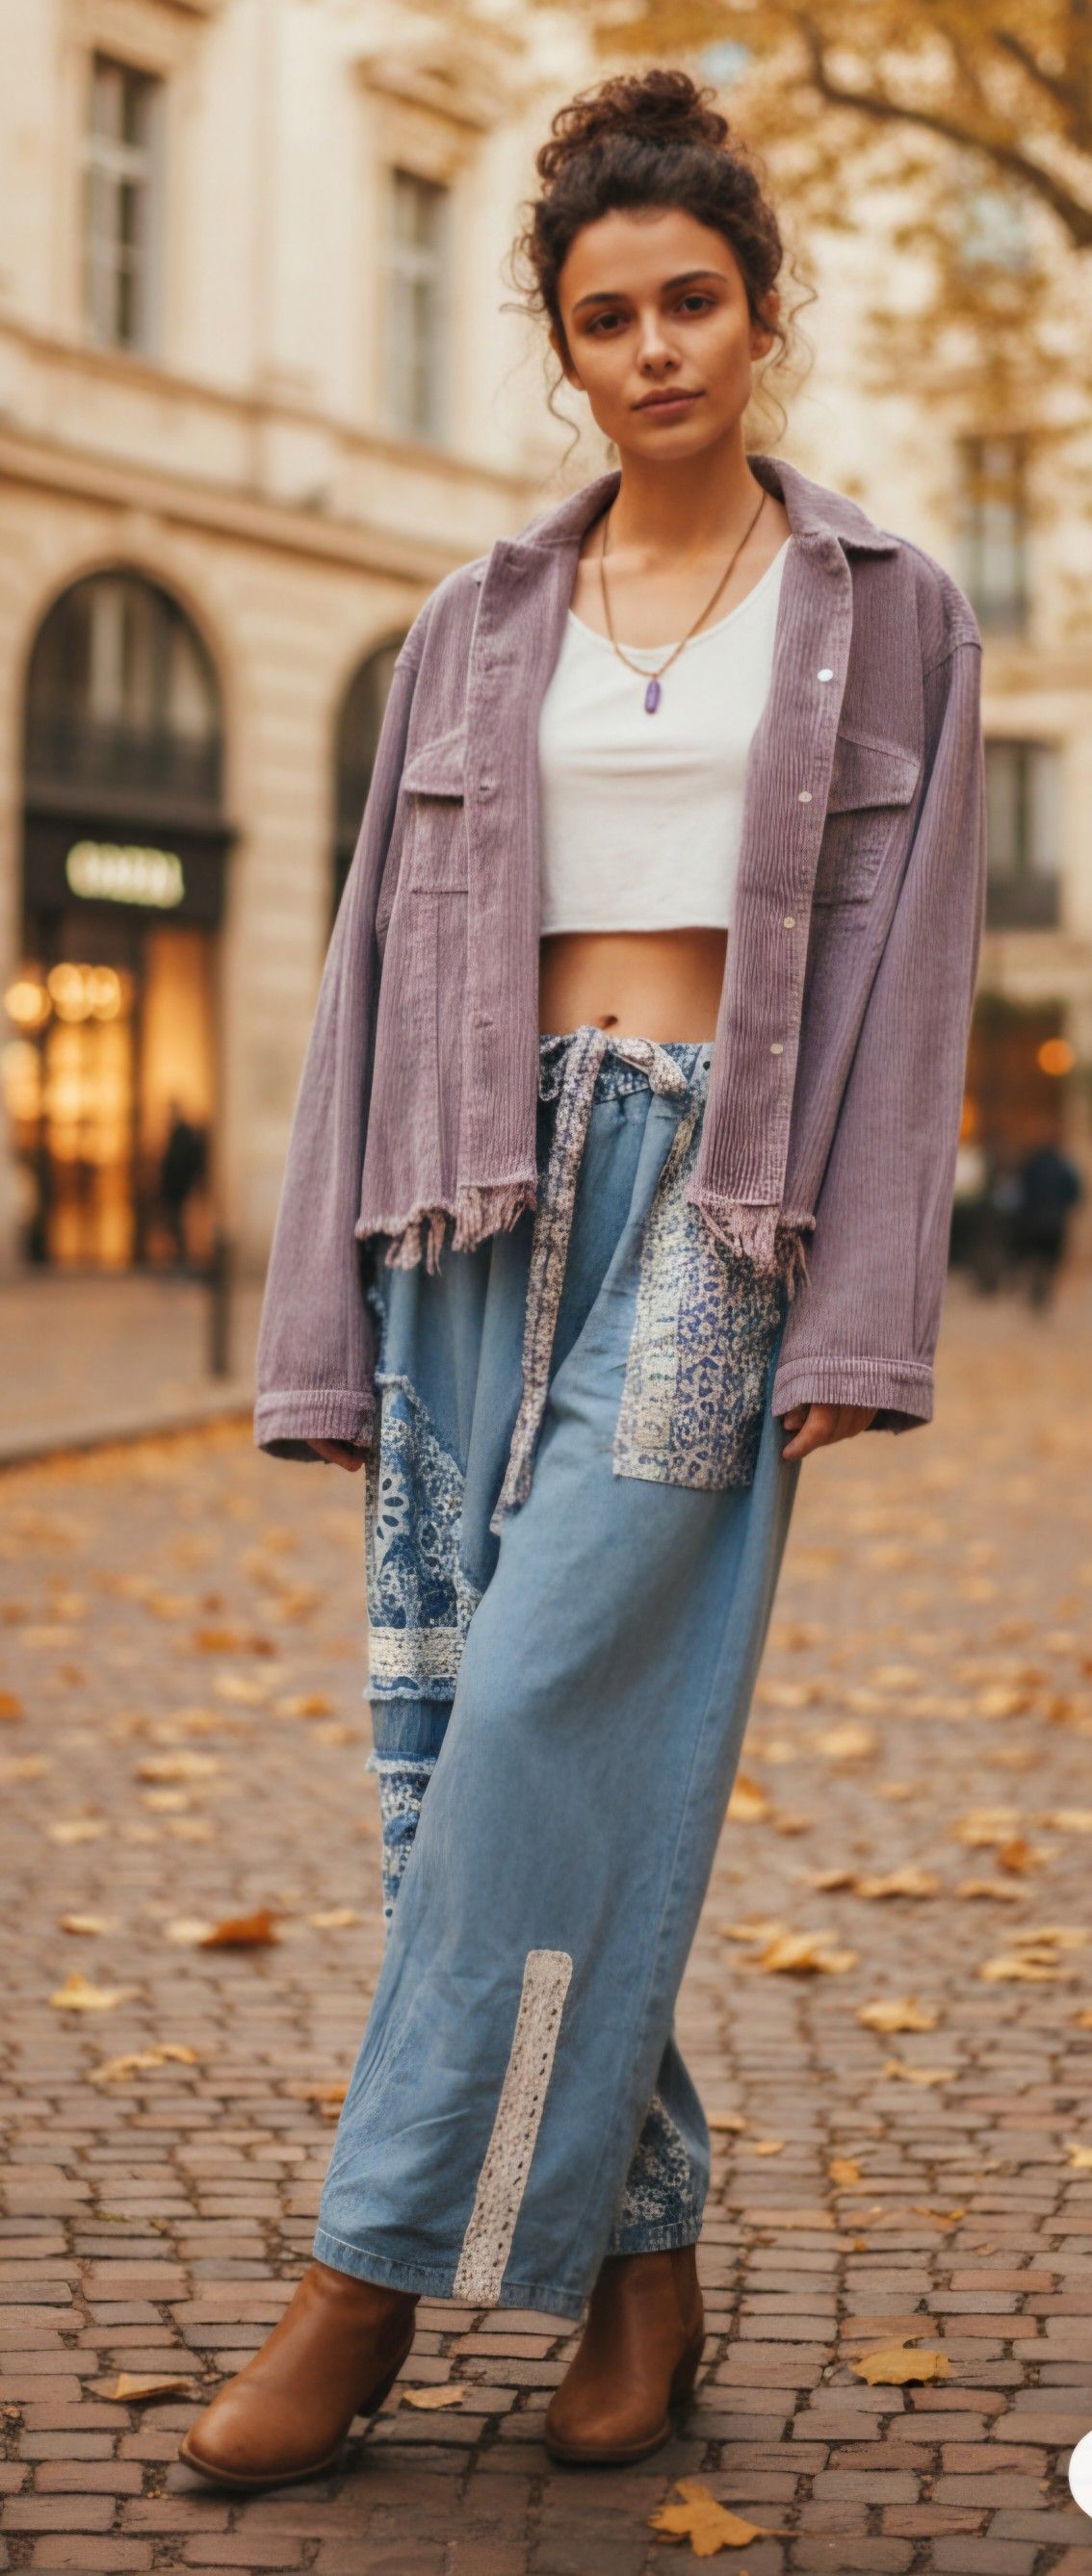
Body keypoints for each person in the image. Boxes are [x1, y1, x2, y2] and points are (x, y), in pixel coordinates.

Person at [179, 67, 986, 2490]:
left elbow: (920, 973)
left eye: (693, 303)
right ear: (563, 347)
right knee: (459, 1779)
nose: (653, 349)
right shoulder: (472, 623)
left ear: (764, 316)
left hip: (714, 1220)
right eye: (606, 315)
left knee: (537, 1715)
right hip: (465, 1205)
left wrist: (861, 1316)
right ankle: (646, 2250)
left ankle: (365, 2273)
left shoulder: (886, 613)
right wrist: (314, 1326)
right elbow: (358, 968)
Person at [1013, 1131, 1082, 1309]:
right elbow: (1075, 1191)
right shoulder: (1063, 1166)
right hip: (1055, 1220)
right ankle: (1045, 1289)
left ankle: (1037, 1288)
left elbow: (1019, 1190)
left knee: (1035, 1257)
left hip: (1032, 1219)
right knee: (1051, 1259)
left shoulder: (1031, 1165)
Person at [158, 1101, 207, 1270]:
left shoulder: (181, 1134)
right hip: (176, 1186)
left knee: (176, 1221)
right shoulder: (180, 1133)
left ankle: (179, 1255)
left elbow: (179, 1162)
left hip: (176, 1186)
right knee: (174, 1221)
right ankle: (177, 1254)